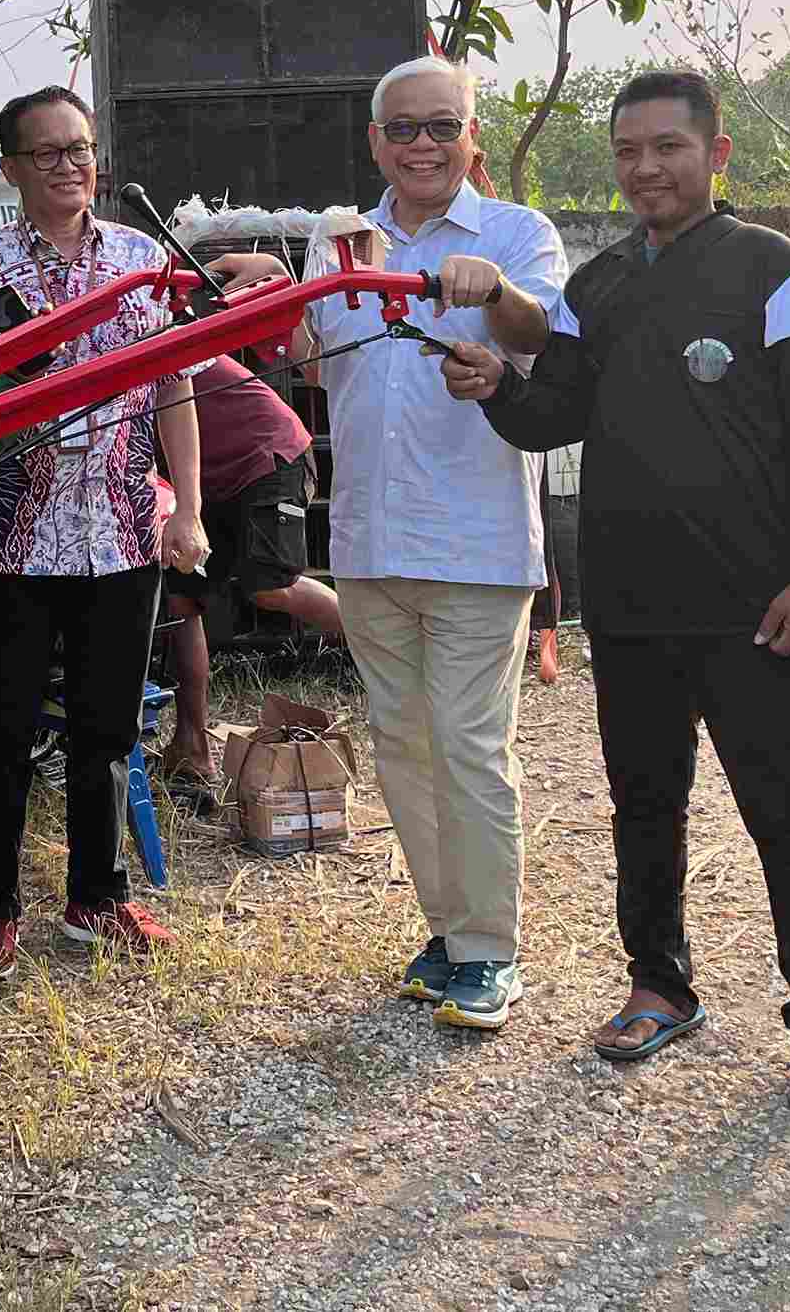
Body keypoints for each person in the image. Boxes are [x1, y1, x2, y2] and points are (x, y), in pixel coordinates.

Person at [453, 69, 790, 1105]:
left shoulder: (783, 273)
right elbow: (557, 416)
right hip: (629, 599)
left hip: (753, 603)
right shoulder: (596, 288)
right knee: (643, 802)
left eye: (666, 148)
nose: (645, 169)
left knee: (786, 812)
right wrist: (498, 386)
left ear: (715, 153)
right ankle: (658, 983)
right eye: (627, 152)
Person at [198, 55, 557, 1031]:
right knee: (402, 743)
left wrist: (489, 296)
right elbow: (314, 358)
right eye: (402, 129)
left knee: (470, 746)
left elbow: (543, 332)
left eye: (441, 127)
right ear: (374, 142)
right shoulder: (342, 241)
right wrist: (275, 285)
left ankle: (491, 949)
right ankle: (447, 931)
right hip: (366, 540)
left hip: (474, 544)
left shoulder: (516, 233)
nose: (422, 146)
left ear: (471, 136)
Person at [0, 87, 207, 976]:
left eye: (79, 148)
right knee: (3, 729)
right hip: (12, 535)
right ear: (9, 168)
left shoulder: (141, 260)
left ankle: (99, 898)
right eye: (45, 153)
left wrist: (189, 509)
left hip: (123, 531)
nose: (68, 166)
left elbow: (174, 386)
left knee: (107, 730)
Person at [156, 355, 343, 789]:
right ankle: (192, 748)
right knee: (182, 599)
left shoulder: (146, 329)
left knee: (270, 586)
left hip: (267, 453)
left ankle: (391, 652)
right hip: (208, 482)